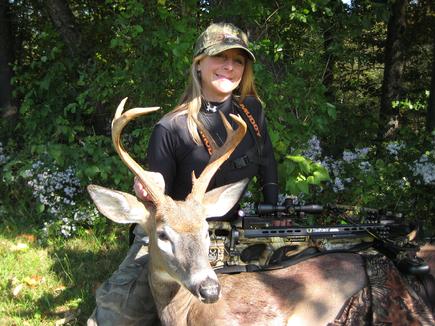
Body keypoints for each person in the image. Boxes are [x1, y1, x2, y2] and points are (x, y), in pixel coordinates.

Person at [88, 22, 278, 326]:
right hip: (172, 233)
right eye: (220, 57)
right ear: (199, 63)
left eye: (238, 60)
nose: (229, 66)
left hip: (225, 225)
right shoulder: (171, 127)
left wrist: (274, 211)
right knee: (117, 317)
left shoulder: (251, 113)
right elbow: (158, 192)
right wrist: (148, 185)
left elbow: (267, 160)